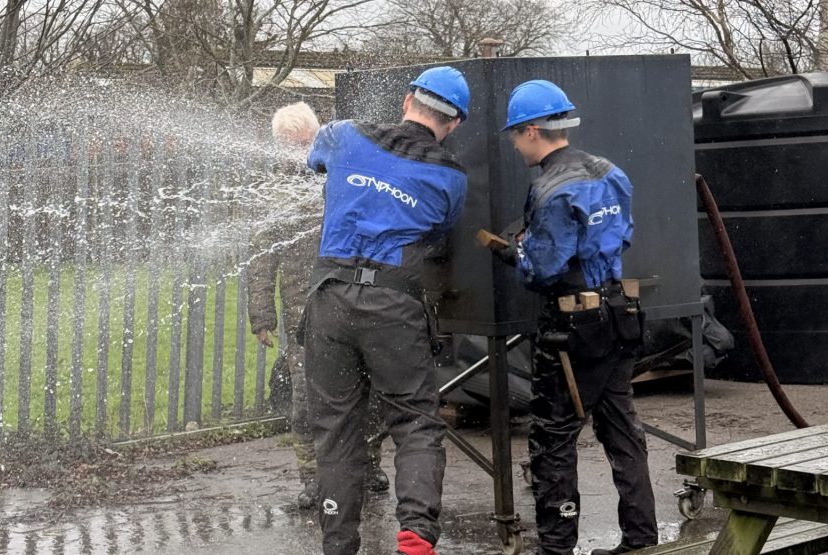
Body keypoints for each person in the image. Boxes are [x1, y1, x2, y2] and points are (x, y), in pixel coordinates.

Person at [303, 66, 470, 555]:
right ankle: (415, 537)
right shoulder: (451, 177)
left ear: (406, 101)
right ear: (454, 124)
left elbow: (314, 162)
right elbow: (439, 232)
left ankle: (338, 544)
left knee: (336, 430)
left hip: (330, 300)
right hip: (394, 307)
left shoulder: (344, 135)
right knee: (415, 423)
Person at [492, 80, 658, 555]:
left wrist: (514, 252)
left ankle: (557, 547)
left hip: (573, 328)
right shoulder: (610, 172)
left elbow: (543, 270)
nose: (514, 144)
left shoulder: (550, 189)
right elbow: (621, 235)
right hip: (619, 313)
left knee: (553, 438)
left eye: (515, 134)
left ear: (531, 130)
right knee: (622, 431)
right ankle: (642, 540)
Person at [248, 101, 390, 511]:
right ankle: (312, 478)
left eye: (303, 142)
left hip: (353, 305)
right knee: (305, 401)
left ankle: (368, 464)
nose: (298, 151)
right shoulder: (273, 193)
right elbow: (260, 259)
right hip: (302, 316)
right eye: (289, 144)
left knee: (366, 390)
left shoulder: (347, 177)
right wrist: (261, 316)